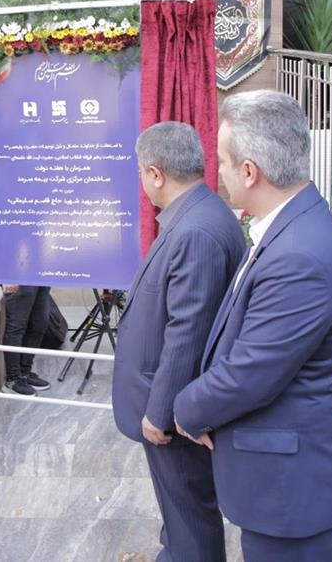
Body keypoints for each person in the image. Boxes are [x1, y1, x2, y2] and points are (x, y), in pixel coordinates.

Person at [174, 90, 332, 561]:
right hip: (289, 483)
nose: (218, 173)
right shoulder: (292, 224)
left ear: (250, 171)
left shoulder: (299, 256)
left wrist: (185, 410)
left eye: (223, 161)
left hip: (295, 493)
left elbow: (250, 372)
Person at [111, 121, 245, 562]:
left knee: (189, 514)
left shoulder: (196, 230)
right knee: (179, 508)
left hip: (174, 411)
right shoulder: (196, 213)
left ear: (155, 174)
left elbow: (188, 331)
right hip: (172, 402)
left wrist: (160, 411)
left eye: (139, 171)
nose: (141, 180)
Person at [1, 284, 52, 395]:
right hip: (17, 276)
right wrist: (7, 278)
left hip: (38, 276)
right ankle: (13, 379)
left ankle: (24, 373)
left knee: (39, 324)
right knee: (16, 326)